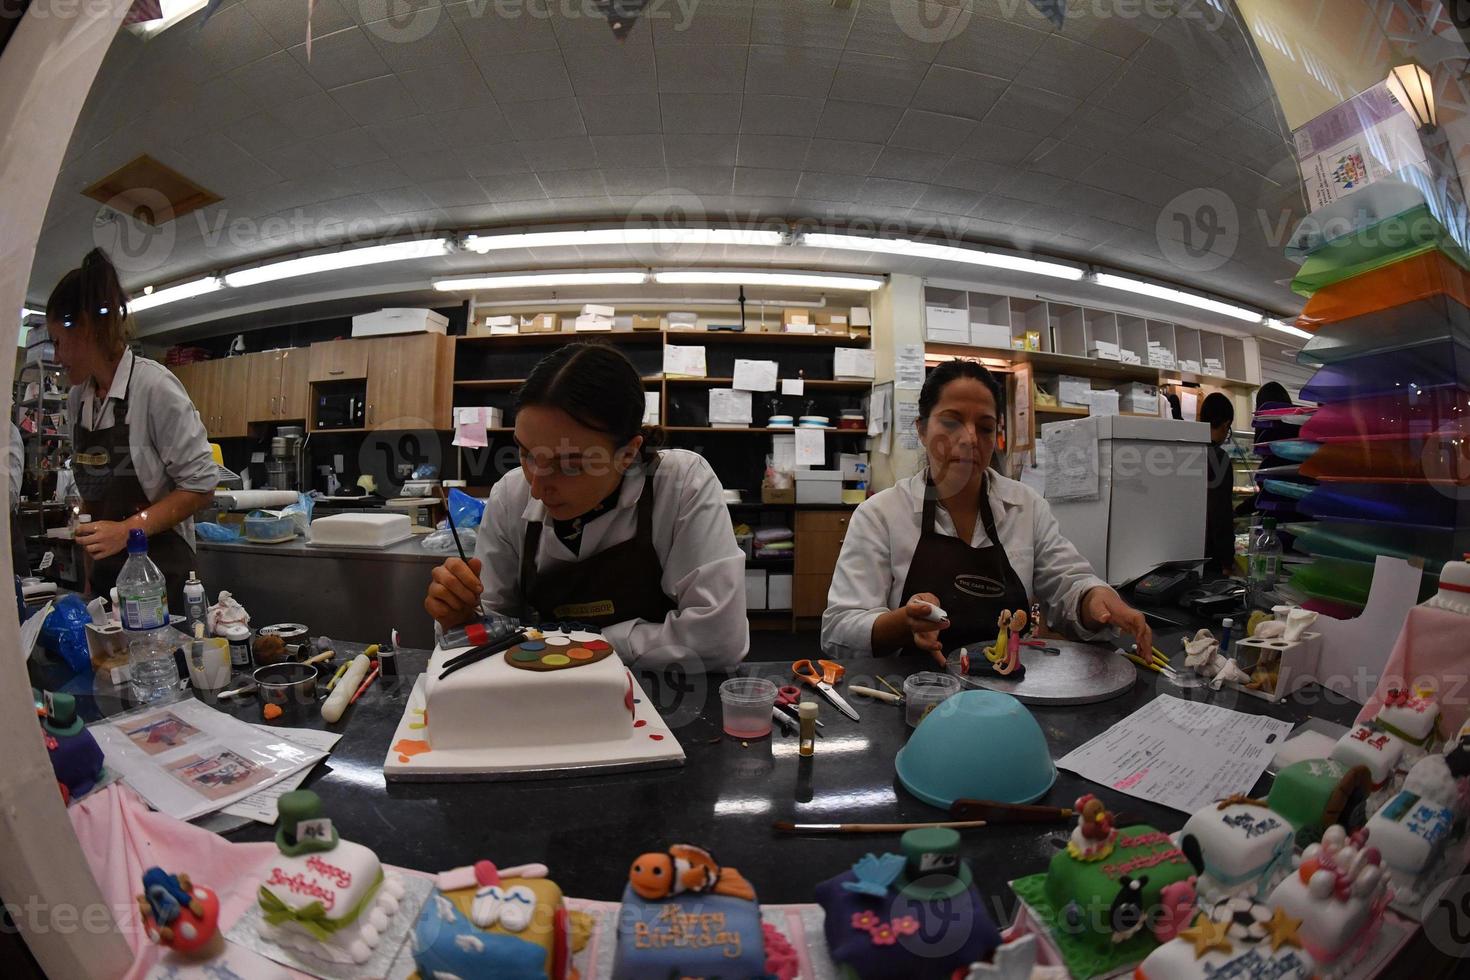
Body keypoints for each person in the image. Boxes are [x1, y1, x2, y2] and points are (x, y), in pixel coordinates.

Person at [424, 343, 748, 670]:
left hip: (664, 692)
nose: (536, 488)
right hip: (549, 693)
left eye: (570, 465)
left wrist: (578, 644)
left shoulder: (679, 484)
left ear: (628, 454)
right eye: (526, 454)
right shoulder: (511, 494)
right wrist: (463, 619)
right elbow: (491, 626)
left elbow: (718, 639)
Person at [822, 359, 1153, 664]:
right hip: (915, 694)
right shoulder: (880, 514)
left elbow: (1069, 582)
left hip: (1012, 695)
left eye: (984, 427)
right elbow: (838, 629)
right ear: (922, 430)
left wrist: (1093, 600)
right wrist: (901, 623)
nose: (969, 438)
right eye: (951, 422)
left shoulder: (1026, 506)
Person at [46, 249, 217, 612]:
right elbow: (93, 495)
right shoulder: (79, 398)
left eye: (59, 342)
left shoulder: (153, 387)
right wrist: (91, 569)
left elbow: (201, 487)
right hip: (108, 577)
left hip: (164, 573)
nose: (57, 358)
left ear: (86, 328)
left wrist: (128, 530)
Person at [1200, 392, 1238, 577]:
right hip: (1211, 556)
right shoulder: (1219, 458)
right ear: (1226, 424)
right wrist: (1227, 561)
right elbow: (1220, 511)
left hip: (1186, 548)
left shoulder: (1186, 451)